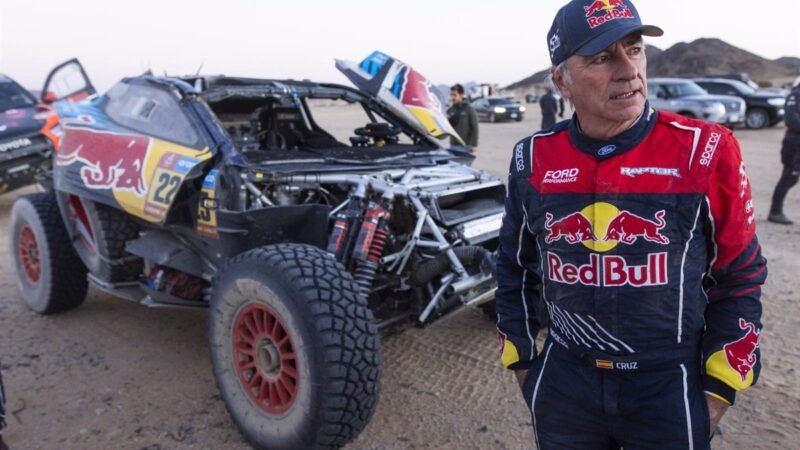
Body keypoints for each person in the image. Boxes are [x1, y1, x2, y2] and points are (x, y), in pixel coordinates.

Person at [495, 1, 767, 448]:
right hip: (565, 381)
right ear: (561, 79)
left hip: (667, 383)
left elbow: (740, 275)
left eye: (634, 49)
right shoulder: (533, 157)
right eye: (602, 57)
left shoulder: (705, 149)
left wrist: (718, 391)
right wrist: (525, 366)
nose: (627, 69)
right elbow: (513, 267)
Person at [768, 83, 800, 224]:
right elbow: (791, 120)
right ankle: (775, 212)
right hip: (794, 143)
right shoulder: (796, 95)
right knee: (789, 177)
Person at [447, 84, 479, 153]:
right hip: (453, 145)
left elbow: (475, 128)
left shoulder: (469, 109)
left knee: (464, 164)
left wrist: (474, 144)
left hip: (466, 146)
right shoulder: (450, 110)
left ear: (461, 95)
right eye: (451, 95)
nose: (452, 97)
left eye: (455, 95)